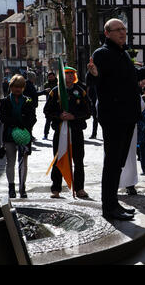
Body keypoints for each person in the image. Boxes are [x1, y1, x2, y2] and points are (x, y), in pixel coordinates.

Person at [87, 18, 145, 220]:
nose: (123, 33)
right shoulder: (102, 54)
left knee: (119, 163)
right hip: (114, 116)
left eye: (124, 29)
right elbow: (92, 79)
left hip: (127, 116)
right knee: (112, 163)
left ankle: (114, 204)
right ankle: (108, 207)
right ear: (107, 33)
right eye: (118, 30)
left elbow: (135, 74)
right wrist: (94, 74)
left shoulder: (122, 53)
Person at [44, 67, 91, 199]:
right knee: (58, 159)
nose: (69, 77)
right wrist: (60, 115)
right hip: (60, 131)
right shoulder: (55, 92)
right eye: (67, 74)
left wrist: (74, 116)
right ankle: (56, 189)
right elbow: (47, 111)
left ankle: (79, 188)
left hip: (76, 130)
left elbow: (88, 112)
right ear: (62, 77)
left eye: (72, 74)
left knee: (78, 160)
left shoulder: (80, 91)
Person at [0, 75, 36, 198]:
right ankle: (11, 188)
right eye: (15, 87)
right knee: (10, 162)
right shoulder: (4, 101)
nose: (18, 89)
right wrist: (16, 123)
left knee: (23, 163)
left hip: (24, 136)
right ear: (11, 87)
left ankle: (22, 188)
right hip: (9, 136)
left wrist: (25, 125)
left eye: (20, 87)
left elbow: (33, 118)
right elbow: (3, 118)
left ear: (23, 88)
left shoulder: (28, 100)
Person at [42, 71, 58, 140]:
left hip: (57, 104)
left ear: (54, 76)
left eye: (52, 76)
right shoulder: (46, 84)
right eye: (49, 77)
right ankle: (45, 135)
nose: (50, 78)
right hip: (49, 104)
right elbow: (45, 92)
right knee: (48, 121)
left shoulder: (58, 83)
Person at [85, 70, 98, 139]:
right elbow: (87, 87)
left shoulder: (89, 73)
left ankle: (94, 134)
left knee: (95, 117)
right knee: (96, 117)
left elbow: (87, 87)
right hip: (94, 96)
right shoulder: (90, 73)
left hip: (94, 97)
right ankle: (94, 133)